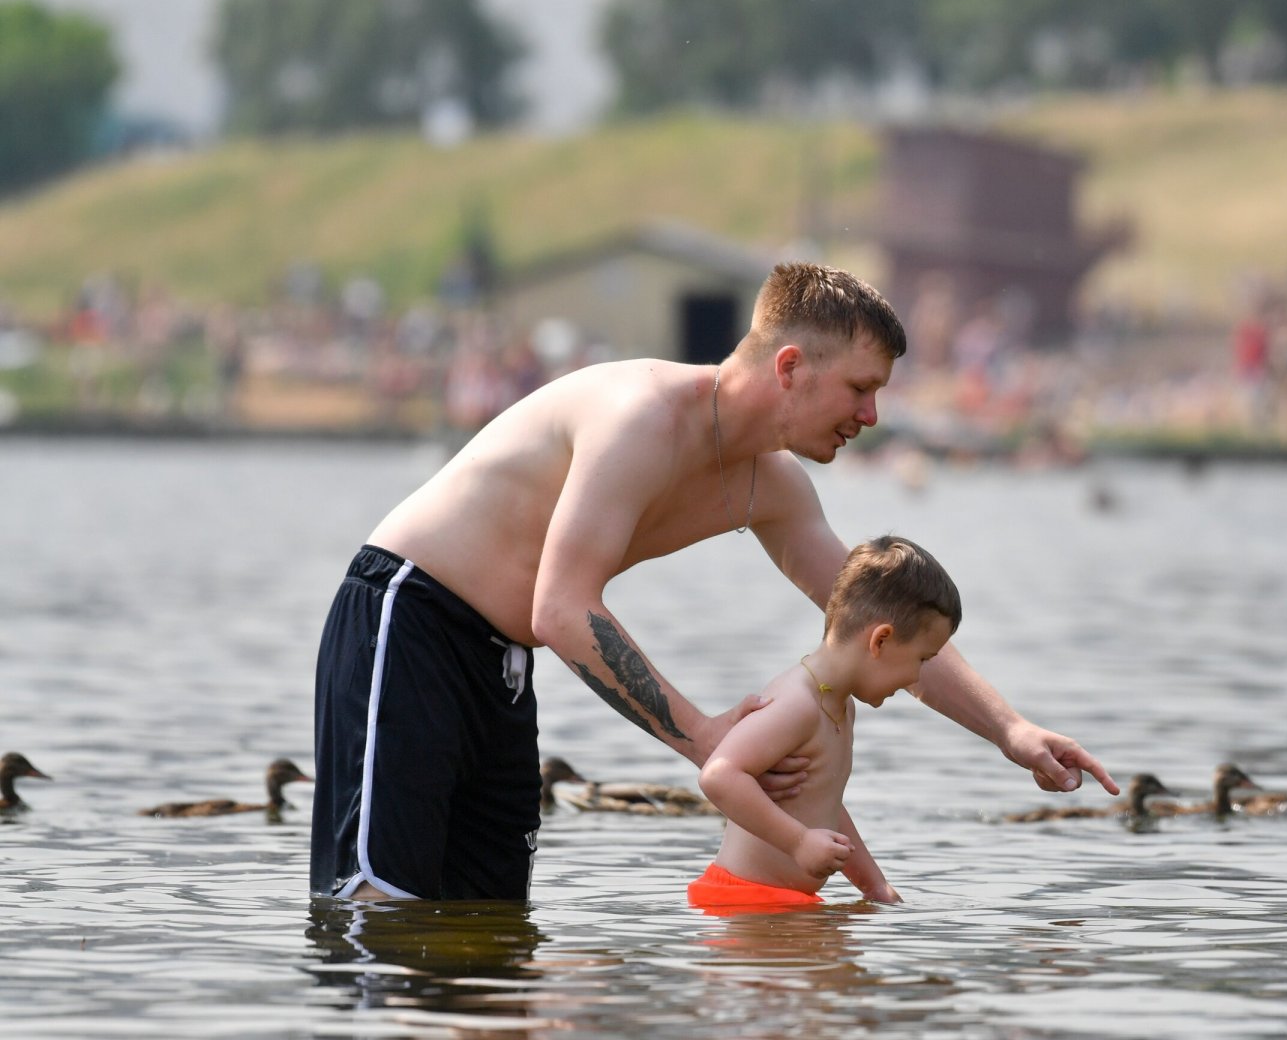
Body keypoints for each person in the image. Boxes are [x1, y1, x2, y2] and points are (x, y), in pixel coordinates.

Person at [312, 262, 1117, 902]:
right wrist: (703, 737)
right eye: (861, 389)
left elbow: (888, 628)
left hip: (501, 661)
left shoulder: (776, 487)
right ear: (792, 366)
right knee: (381, 907)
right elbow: (561, 609)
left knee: (489, 921)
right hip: (408, 616)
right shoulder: (641, 417)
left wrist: (1010, 730)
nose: (871, 417)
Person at [689, 535, 958, 913]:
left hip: (784, 903)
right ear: (880, 640)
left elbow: (825, 806)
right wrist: (799, 842)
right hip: (745, 901)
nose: (917, 675)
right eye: (922, 659)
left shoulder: (840, 706)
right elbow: (719, 775)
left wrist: (875, 885)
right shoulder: (797, 703)